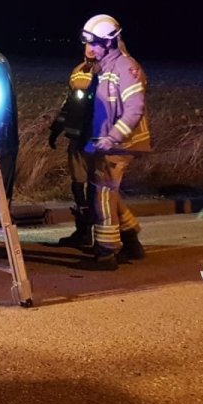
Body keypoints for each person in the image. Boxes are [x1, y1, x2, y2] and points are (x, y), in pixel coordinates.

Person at [78, 14, 151, 270]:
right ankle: (131, 238)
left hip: (118, 144)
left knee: (103, 195)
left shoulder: (124, 67)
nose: (89, 48)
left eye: (95, 43)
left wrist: (113, 137)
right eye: (86, 41)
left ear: (109, 43)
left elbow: (134, 108)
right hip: (104, 141)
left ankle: (106, 253)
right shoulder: (106, 66)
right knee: (107, 191)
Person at [48, 45, 99, 250]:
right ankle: (83, 231)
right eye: (88, 44)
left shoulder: (109, 72)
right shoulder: (79, 70)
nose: (91, 49)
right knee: (78, 185)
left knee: (98, 188)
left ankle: (113, 236)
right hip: (78, 139)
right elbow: (71, 104)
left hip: (98, 140)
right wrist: (56, 128)